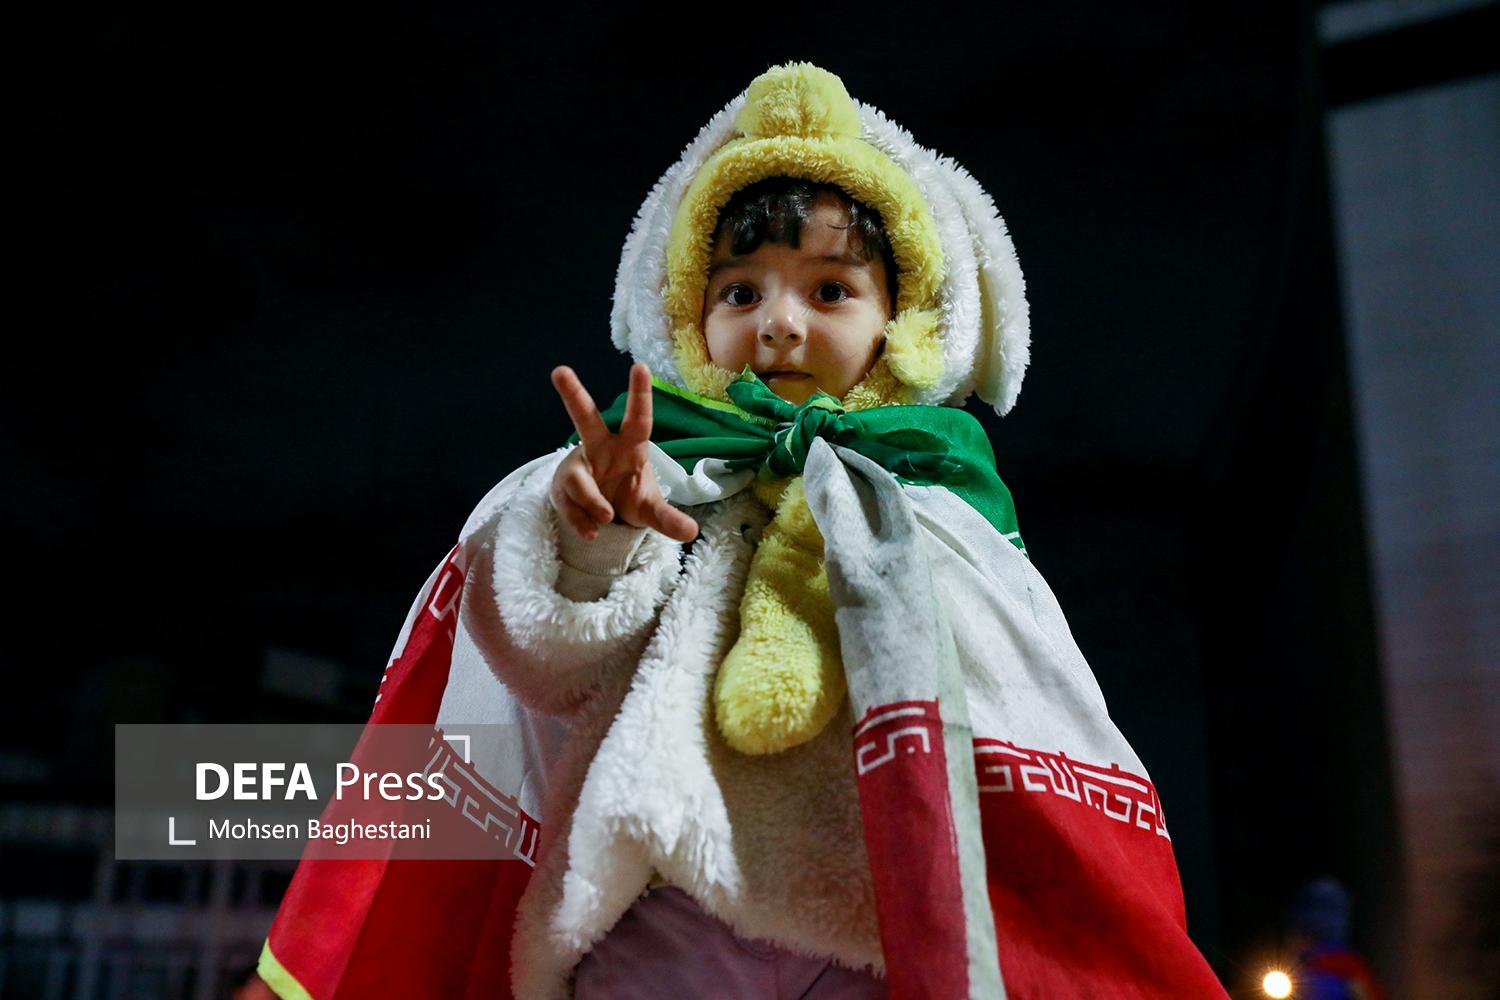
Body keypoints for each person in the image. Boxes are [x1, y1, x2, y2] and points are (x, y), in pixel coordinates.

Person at [258, 62, 1229, 1000]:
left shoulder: (942, 509)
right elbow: (547, 667)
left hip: (871, 930)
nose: (779, 324)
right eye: (740, 292)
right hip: (658, 911)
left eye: (829, 290)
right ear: (690, 314)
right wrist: (593, 533)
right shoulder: (655, 468)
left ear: (905, 323)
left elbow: (1019, 711)